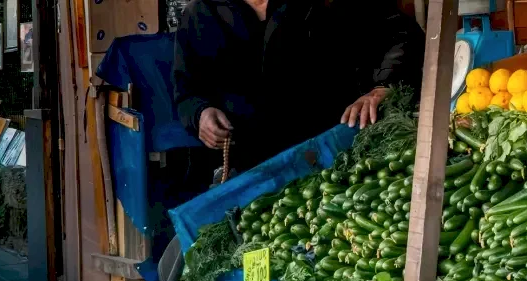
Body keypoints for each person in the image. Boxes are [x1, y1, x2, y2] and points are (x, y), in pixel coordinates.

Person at [172, 0, 425, 177]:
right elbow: (187, 92)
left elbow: (402, 34)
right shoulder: (200, 15)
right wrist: (200, 114)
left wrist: (382, 87)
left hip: (335, 159)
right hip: (251, 173)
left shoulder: (327, 4)